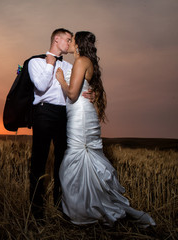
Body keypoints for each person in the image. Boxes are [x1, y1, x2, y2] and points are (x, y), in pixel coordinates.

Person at [55, 31, 156, 227]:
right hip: (80, 114)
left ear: (78, 44)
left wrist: (61, 80)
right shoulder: (85, 62)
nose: (69, 43)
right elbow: (86, 89)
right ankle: (94, 209)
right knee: (85, 164)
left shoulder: (81, 61)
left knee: (74, 161)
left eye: (72, 40)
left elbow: (73, 94)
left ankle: (89, 212)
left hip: (80, 116)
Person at [28, 28, 74, 221]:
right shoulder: (35, 62)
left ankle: (61, 207)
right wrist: (50, 64)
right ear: (57, 39)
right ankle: (37, 213)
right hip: (43, 113)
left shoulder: (70, 67)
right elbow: (40, 86)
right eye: (68, 40)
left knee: (63, 163)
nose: (71, 44)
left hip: (64, 115)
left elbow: (74, 91)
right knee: (39, 162)